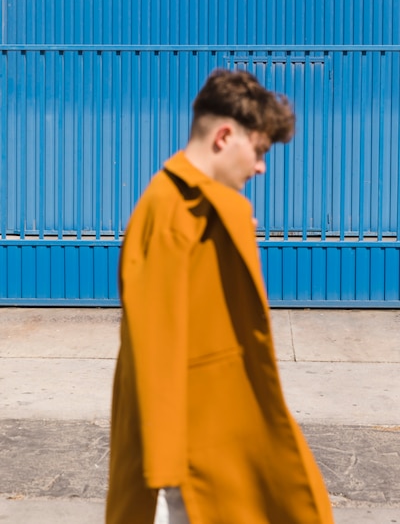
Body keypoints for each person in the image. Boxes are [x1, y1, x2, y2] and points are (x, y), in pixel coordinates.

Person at [106, 69, 334, 524]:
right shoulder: (172, 210)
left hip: (217, 434)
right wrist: (164, 471)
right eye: (260, 150)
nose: (261, 167)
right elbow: (156, 347)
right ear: (225, 136)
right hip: (193, 456)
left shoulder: (200, 207)